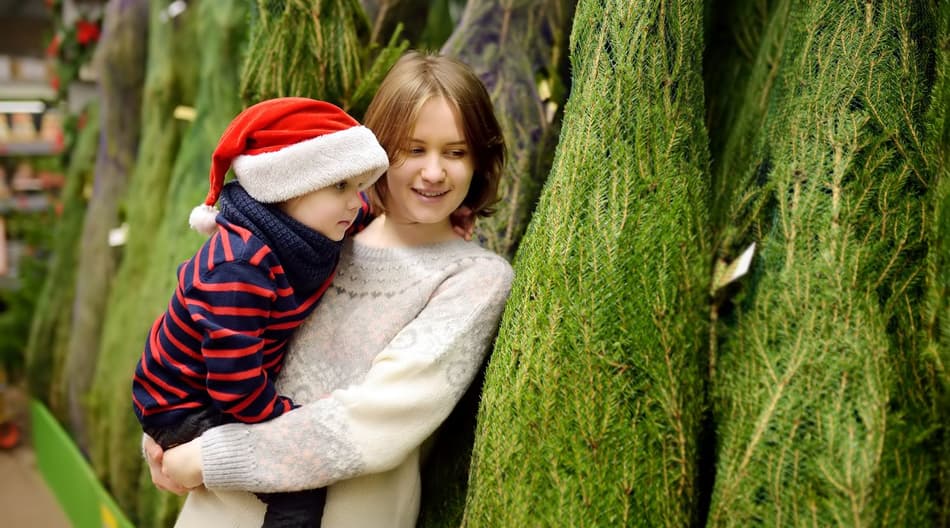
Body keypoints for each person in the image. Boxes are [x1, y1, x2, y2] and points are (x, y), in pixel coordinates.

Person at [144, 50, 515, 528]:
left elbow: (372, 422)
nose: (434, 172)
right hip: (219, 510)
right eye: (414, 149)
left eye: (456, 152)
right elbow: (204, 329)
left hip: (345, 513)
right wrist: (164, 436)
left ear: (480, 161)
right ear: (375, 156)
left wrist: (204, 458)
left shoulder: (472, 278)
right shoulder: (325, 235)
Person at [132, 97, 390, 528]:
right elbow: (234, 383)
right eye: (340, 187)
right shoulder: (240, 267)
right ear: (286, 187)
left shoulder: (303, 226)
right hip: (181, 402)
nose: (355, 202)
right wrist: (289, 420)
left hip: (220, 385)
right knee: (296, 480)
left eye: (358, 186)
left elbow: (363, 211)